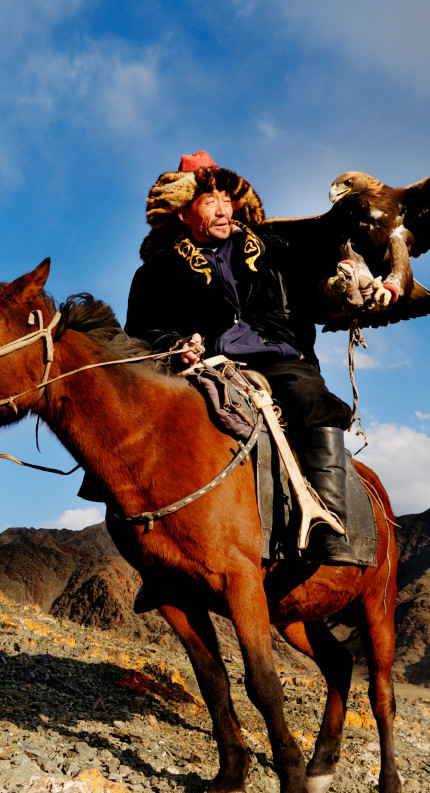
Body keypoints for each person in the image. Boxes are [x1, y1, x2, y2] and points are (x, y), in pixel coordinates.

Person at [125, 150, 359, 566]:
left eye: (227, 200)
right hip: (200, 366)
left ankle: (327, 524)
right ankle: (151, 551)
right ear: (183, 212)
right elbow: (140, 333)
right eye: (209, 200)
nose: (222, 209)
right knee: (146, 417)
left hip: (275, 356)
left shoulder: (274, 249)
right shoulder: (156, 271)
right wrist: (177, 346)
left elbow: (325, 273)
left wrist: (351, 276)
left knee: (309, 394)